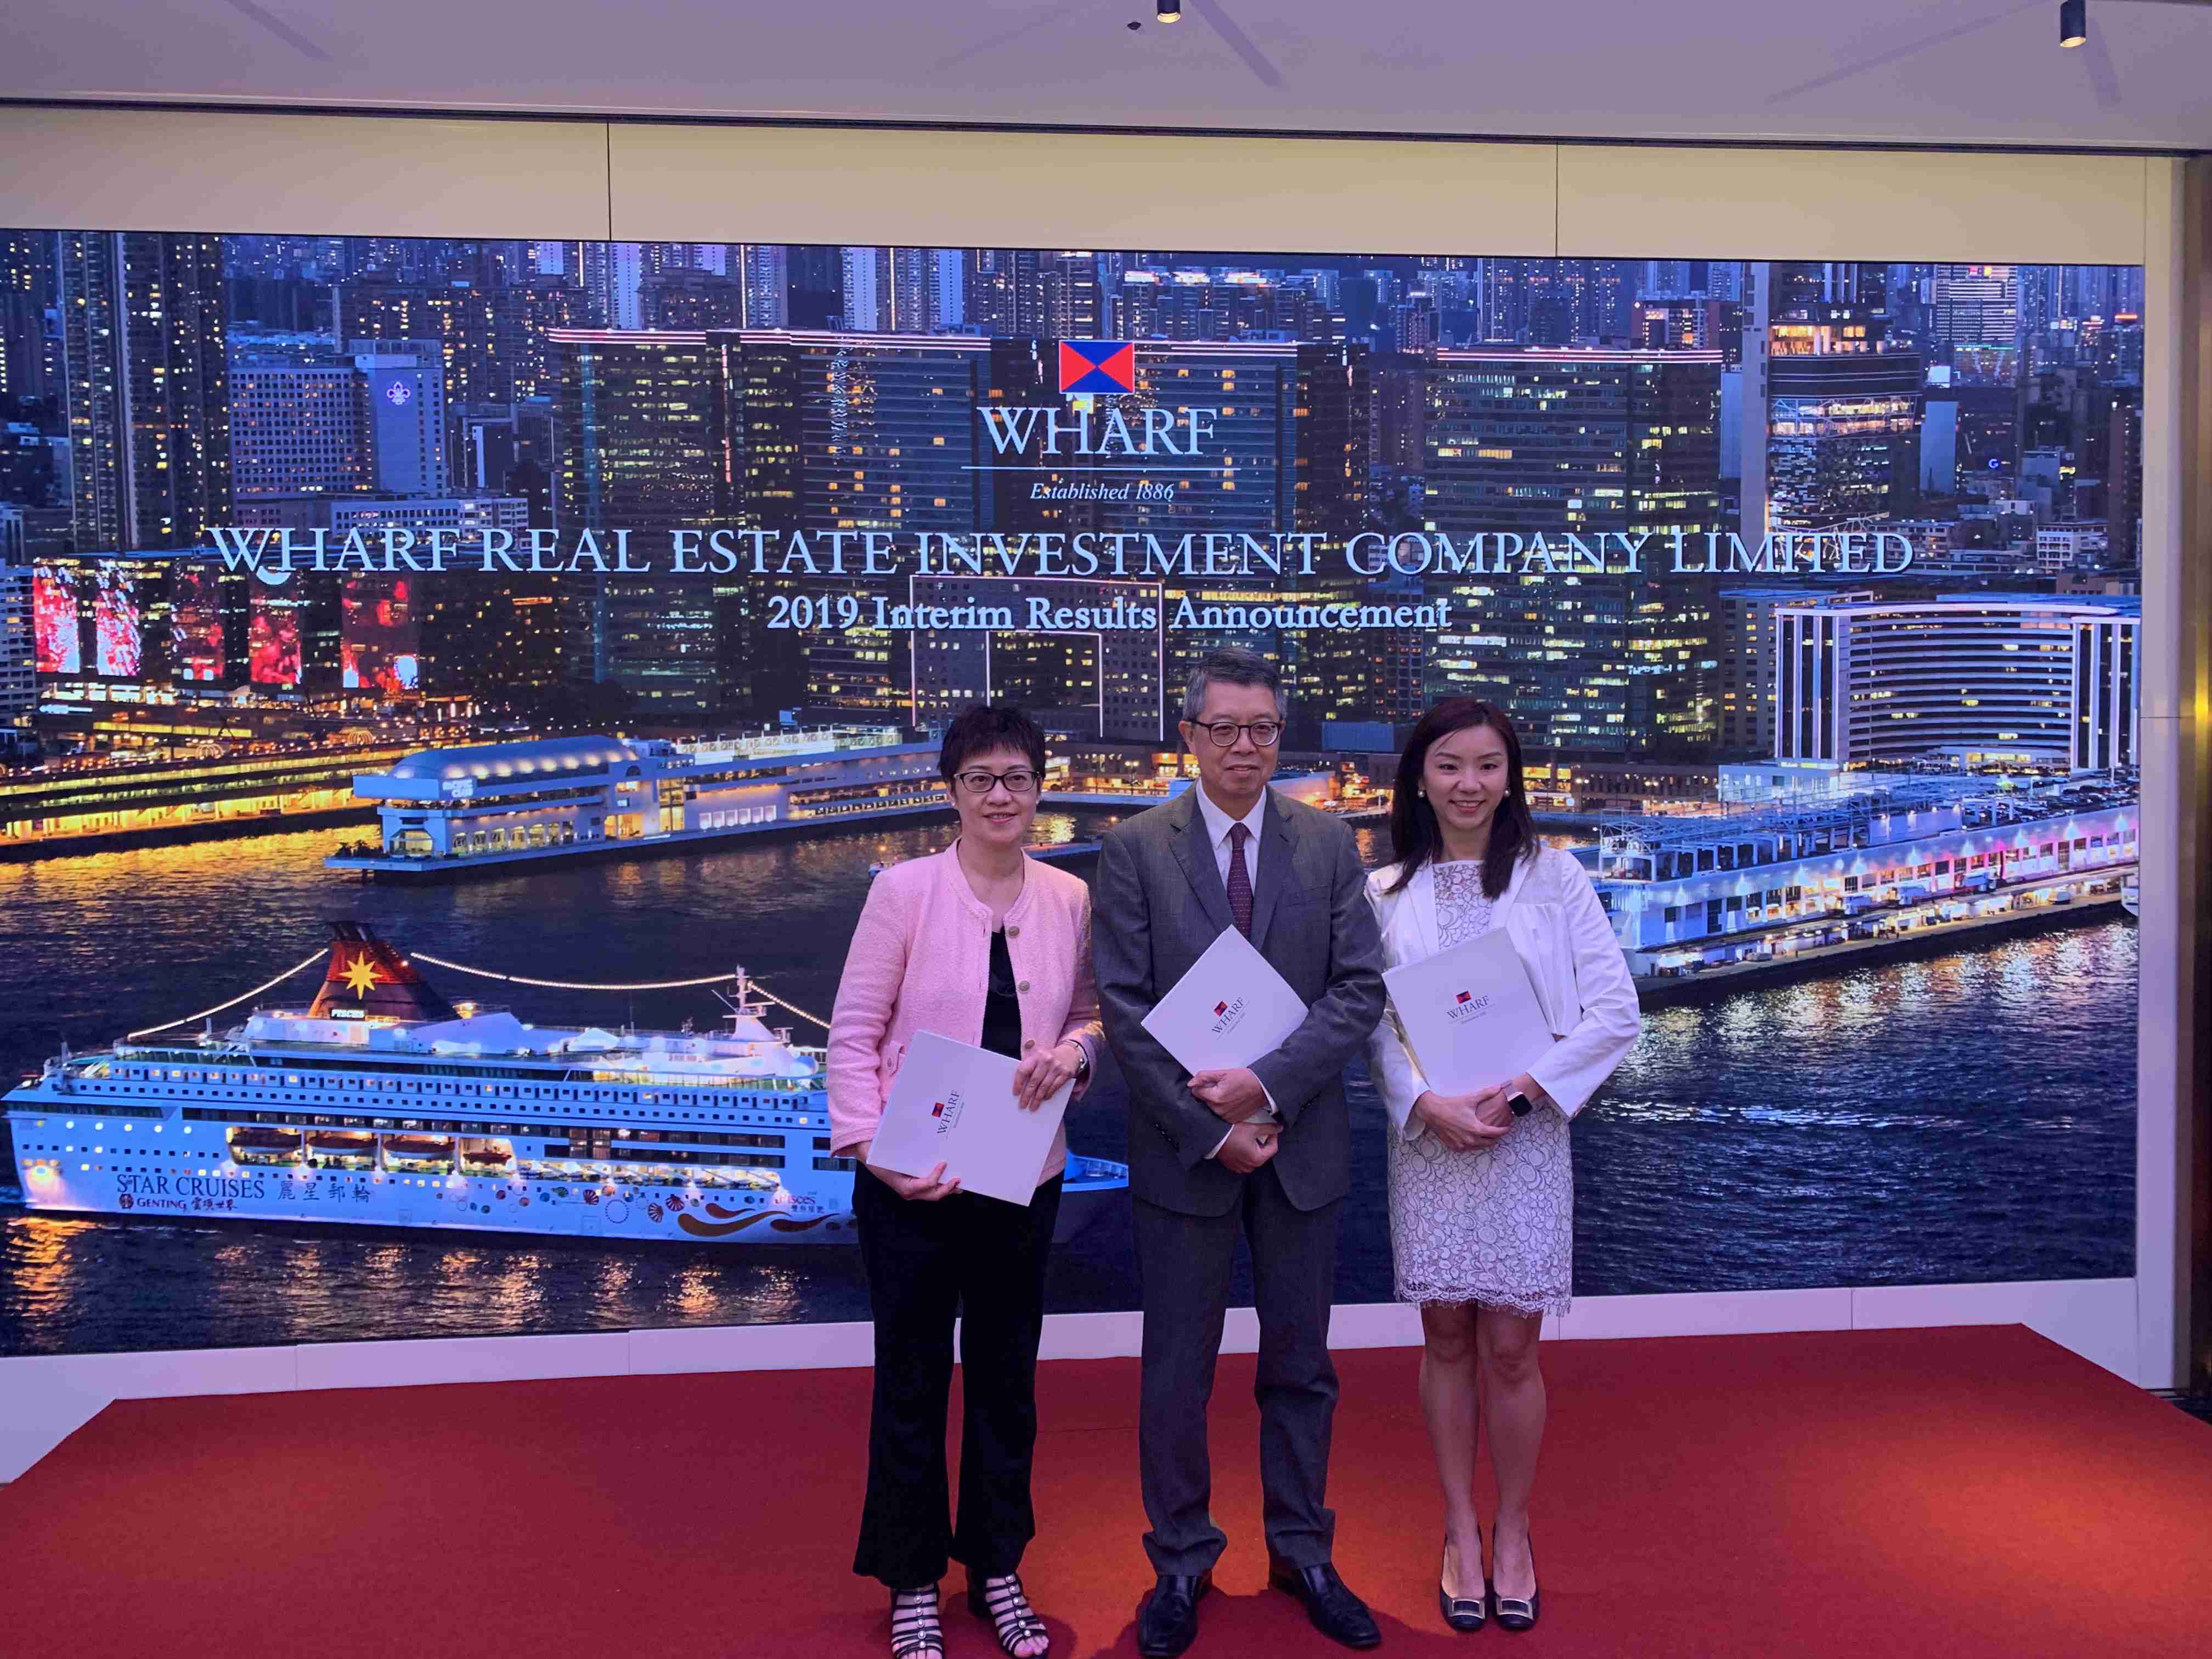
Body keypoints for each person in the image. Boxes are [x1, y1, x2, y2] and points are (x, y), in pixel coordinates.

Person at [1093, 646, 1387, 1658]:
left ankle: (1304, 1552)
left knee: (1302, 1367)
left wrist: (1263, 1089)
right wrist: (1214, 1129)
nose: (1245, 746)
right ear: (1190, 736)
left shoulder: (1329, 844)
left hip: (1302, 1146)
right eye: (1224, 728)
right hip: (1186, 1154)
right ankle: (1181, 1560)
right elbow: (1122, 1008)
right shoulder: (1136, 848)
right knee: (1177, 1372)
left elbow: (1359, 988)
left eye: (1262, 728)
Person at [827, 703, 1105, 1659]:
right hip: (909, 1177)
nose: (1000, 796)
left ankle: (997, 1567)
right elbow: (852, 1036)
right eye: (980, 779)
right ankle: (911, 1578)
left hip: (1022, 1174)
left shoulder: (1068, 897)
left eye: (1017, 778)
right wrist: (877, 1152)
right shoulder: (903, 891)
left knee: (1006, 1380)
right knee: (910, 1380)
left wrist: (1074, 1054)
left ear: (1039, 789)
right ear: (950, 791)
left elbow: (1092, 1016)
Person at [1365, 698, 1640, 1635]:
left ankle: (1513, 1530)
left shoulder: (1555, 878)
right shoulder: (1384, 890)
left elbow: (1614, 1012)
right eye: (1449, 765)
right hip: (1431, 1142)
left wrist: (1522, 1095)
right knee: (1445, 1337)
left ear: (1510, 777)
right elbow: (1370, 1023)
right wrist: (1423, 1104)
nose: (1469, 784)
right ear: (1419, 778)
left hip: (1525, 1138)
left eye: (1488, 765)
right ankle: (1459, 1530)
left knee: (1514, 1348)